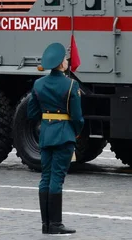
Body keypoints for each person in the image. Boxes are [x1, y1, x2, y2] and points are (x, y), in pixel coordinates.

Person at [27, 42, 84, 235]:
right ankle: (56, 224)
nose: (68, 61)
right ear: (61, 64)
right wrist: (74, 132)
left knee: (46, 177)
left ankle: (45, 224)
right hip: (64, 135)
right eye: (66, 59)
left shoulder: (38, 84)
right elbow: (77, 117)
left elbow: (31, 112)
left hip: (46, 135)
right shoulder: (71, 85)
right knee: (57, 179)